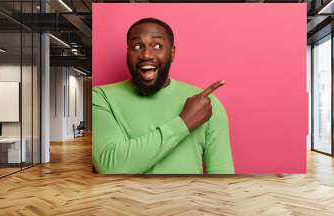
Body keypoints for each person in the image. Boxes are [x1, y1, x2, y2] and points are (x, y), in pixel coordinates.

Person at [92, 17, 234, 174]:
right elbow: (110, 167)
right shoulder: (101, 97)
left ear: (172, 53)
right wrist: (184, 123)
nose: (146, 55)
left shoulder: (205, 104)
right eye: (137, 46)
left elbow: (221, 177)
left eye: (157, 46)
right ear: (127, 53)